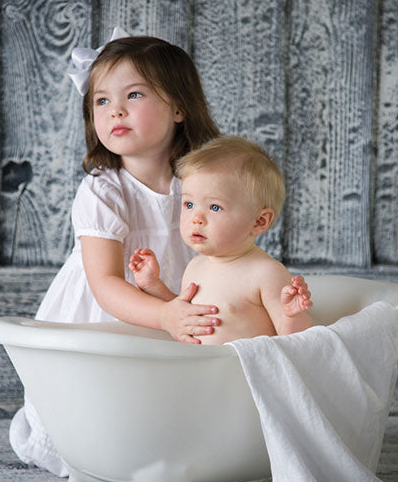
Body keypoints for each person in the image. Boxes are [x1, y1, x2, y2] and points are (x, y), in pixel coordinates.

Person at [10, 31, 222, 475]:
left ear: (179, 108)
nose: (115, 110)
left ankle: (184, 447)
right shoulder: (104, 191)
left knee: (184, 386)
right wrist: (163, 316)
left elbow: (225, 244)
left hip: (179, 296)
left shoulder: (200, 180)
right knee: (115, 392)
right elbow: (105, 283)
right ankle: (105, 452)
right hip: (107, 311)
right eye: (101, 101)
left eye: (134, 94)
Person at [129, 136, 313, 345]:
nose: (195, 218)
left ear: (259, 221)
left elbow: (298, 345)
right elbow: (183, 314)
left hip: (237, 374)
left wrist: (292, 315)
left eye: (215, 207)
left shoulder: (265, 273)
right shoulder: (195, 266)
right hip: (198, 371)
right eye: (189, 204)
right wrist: (153, 285)